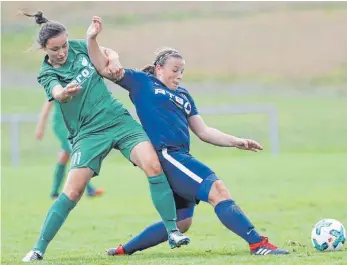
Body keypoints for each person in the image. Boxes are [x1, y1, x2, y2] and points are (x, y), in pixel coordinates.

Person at [86, 16, 290, 256]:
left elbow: (203, 131)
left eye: (182, 71)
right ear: (159, 68)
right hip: (168, 156)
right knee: (218, 190)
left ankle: (123, 251)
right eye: (175, 70)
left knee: (182, 222)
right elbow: (102, 67)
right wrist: (92, 38)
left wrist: (237, 141)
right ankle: (258, 244)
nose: (179, 75)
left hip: (180, 155)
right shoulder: (142, 83)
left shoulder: (183, 95)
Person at [21, 11, 189, 263]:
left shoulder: (78, 48)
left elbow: (107, 52)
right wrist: (64, 92)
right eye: (55, 49)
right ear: (44, 48)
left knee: (152, 164)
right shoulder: (46, 73)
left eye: (64, 45)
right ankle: (38, 249)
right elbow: (57, 93)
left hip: (118, 120)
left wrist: (113, 57)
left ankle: (173, 231)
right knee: (74, 191)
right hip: (88, 133)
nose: (62, 52)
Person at [35, 100, 104, 198]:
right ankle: (89, 189)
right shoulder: (54, 85)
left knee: (64, 157)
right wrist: (40, 128)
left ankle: (54, 192)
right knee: (77, 153)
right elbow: (46, 108)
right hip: (60, 125)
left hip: (71, 124)